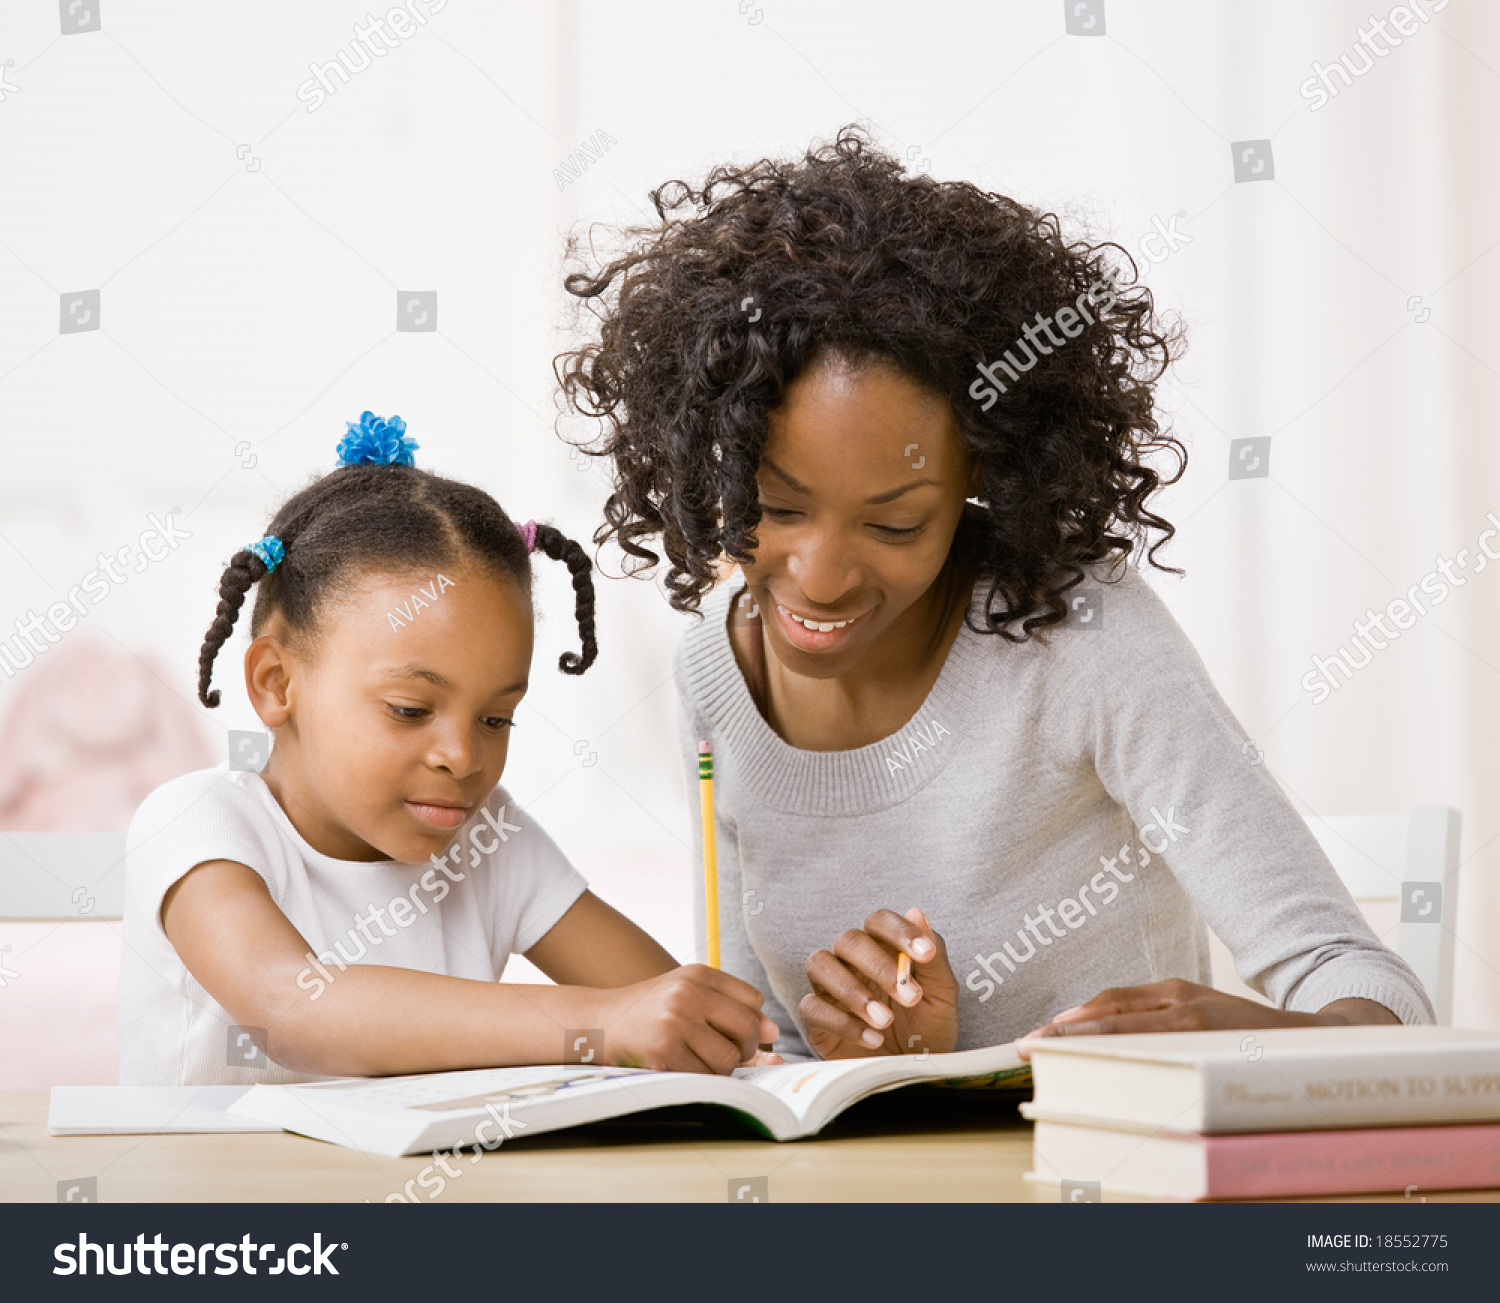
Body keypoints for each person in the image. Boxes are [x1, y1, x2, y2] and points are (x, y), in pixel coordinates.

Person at [554, 124, 1435, 1061]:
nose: (820, 576)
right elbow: (766, 1053)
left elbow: (1368, 989)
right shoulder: (713, 672)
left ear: (986, 473)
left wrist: (1268, 1040)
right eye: (773, 507)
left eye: (894, 524)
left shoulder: (1078, 638)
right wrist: (891, 1061)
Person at [118, 412, 777, 1085]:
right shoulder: (197, 823)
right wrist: (595, 1026)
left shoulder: (489, 838)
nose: (463, 758)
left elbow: (668, 1011)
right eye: (410, 709)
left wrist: (736, 1029)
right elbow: (290, 1009)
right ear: (275, 681)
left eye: (497, 719)